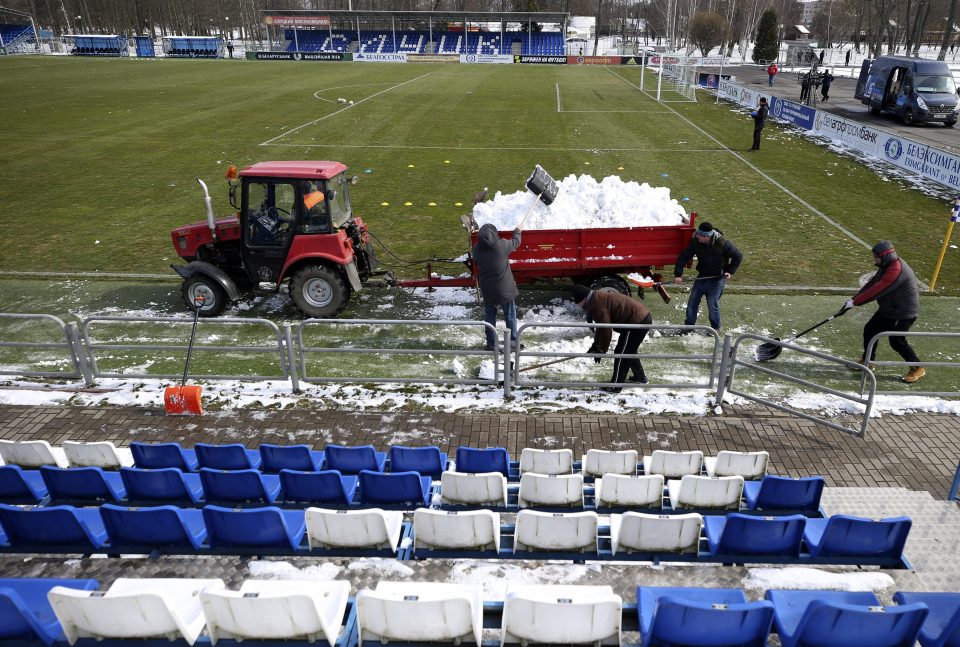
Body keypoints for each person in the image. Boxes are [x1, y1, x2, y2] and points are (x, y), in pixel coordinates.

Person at [842, 241, 924, 383]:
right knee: (870, 330)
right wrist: (853, 299)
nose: (875, 260)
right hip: (889, 308)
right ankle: (868, 361)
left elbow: (877, 290)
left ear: (885, 256)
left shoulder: (895, 270)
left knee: (897, 342)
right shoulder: (886, 265)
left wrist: (856, 303)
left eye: (876, 257)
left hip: (903, 313)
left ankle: (917, 368)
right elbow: (872, 283)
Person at [572, 284, 652, 392]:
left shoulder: (596, 304)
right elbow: (600, 326)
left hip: (636, 321)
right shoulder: (595, 299)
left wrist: (601, 350)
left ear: (583, 299)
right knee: (628, 350)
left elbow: (605, 331)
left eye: (578, 303)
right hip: (635, 319)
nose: (578, 306)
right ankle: (640, 378)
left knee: (621, 354)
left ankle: (615, 387)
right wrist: (595, 346)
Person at [673, 221, 742, 331]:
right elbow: (683, 257)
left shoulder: (723, 244)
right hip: (702, 276)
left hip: (717, 279)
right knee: (692, 302)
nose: (697, 236)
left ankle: (715, 329)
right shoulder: (696, 242)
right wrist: (678, 274)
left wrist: (729, 271)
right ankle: (688, 327)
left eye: (699, 235)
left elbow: (738, 256)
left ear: (706, 237)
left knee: (712, 304)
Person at [473, 223, 521, 352]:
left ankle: (491, 344)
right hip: (504, 289)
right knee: (510, 316)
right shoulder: (502, 245)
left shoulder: (476, 249)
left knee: (490, 317)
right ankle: (512, 343)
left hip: (488, 290)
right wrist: (517, 231)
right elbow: (516, 242)